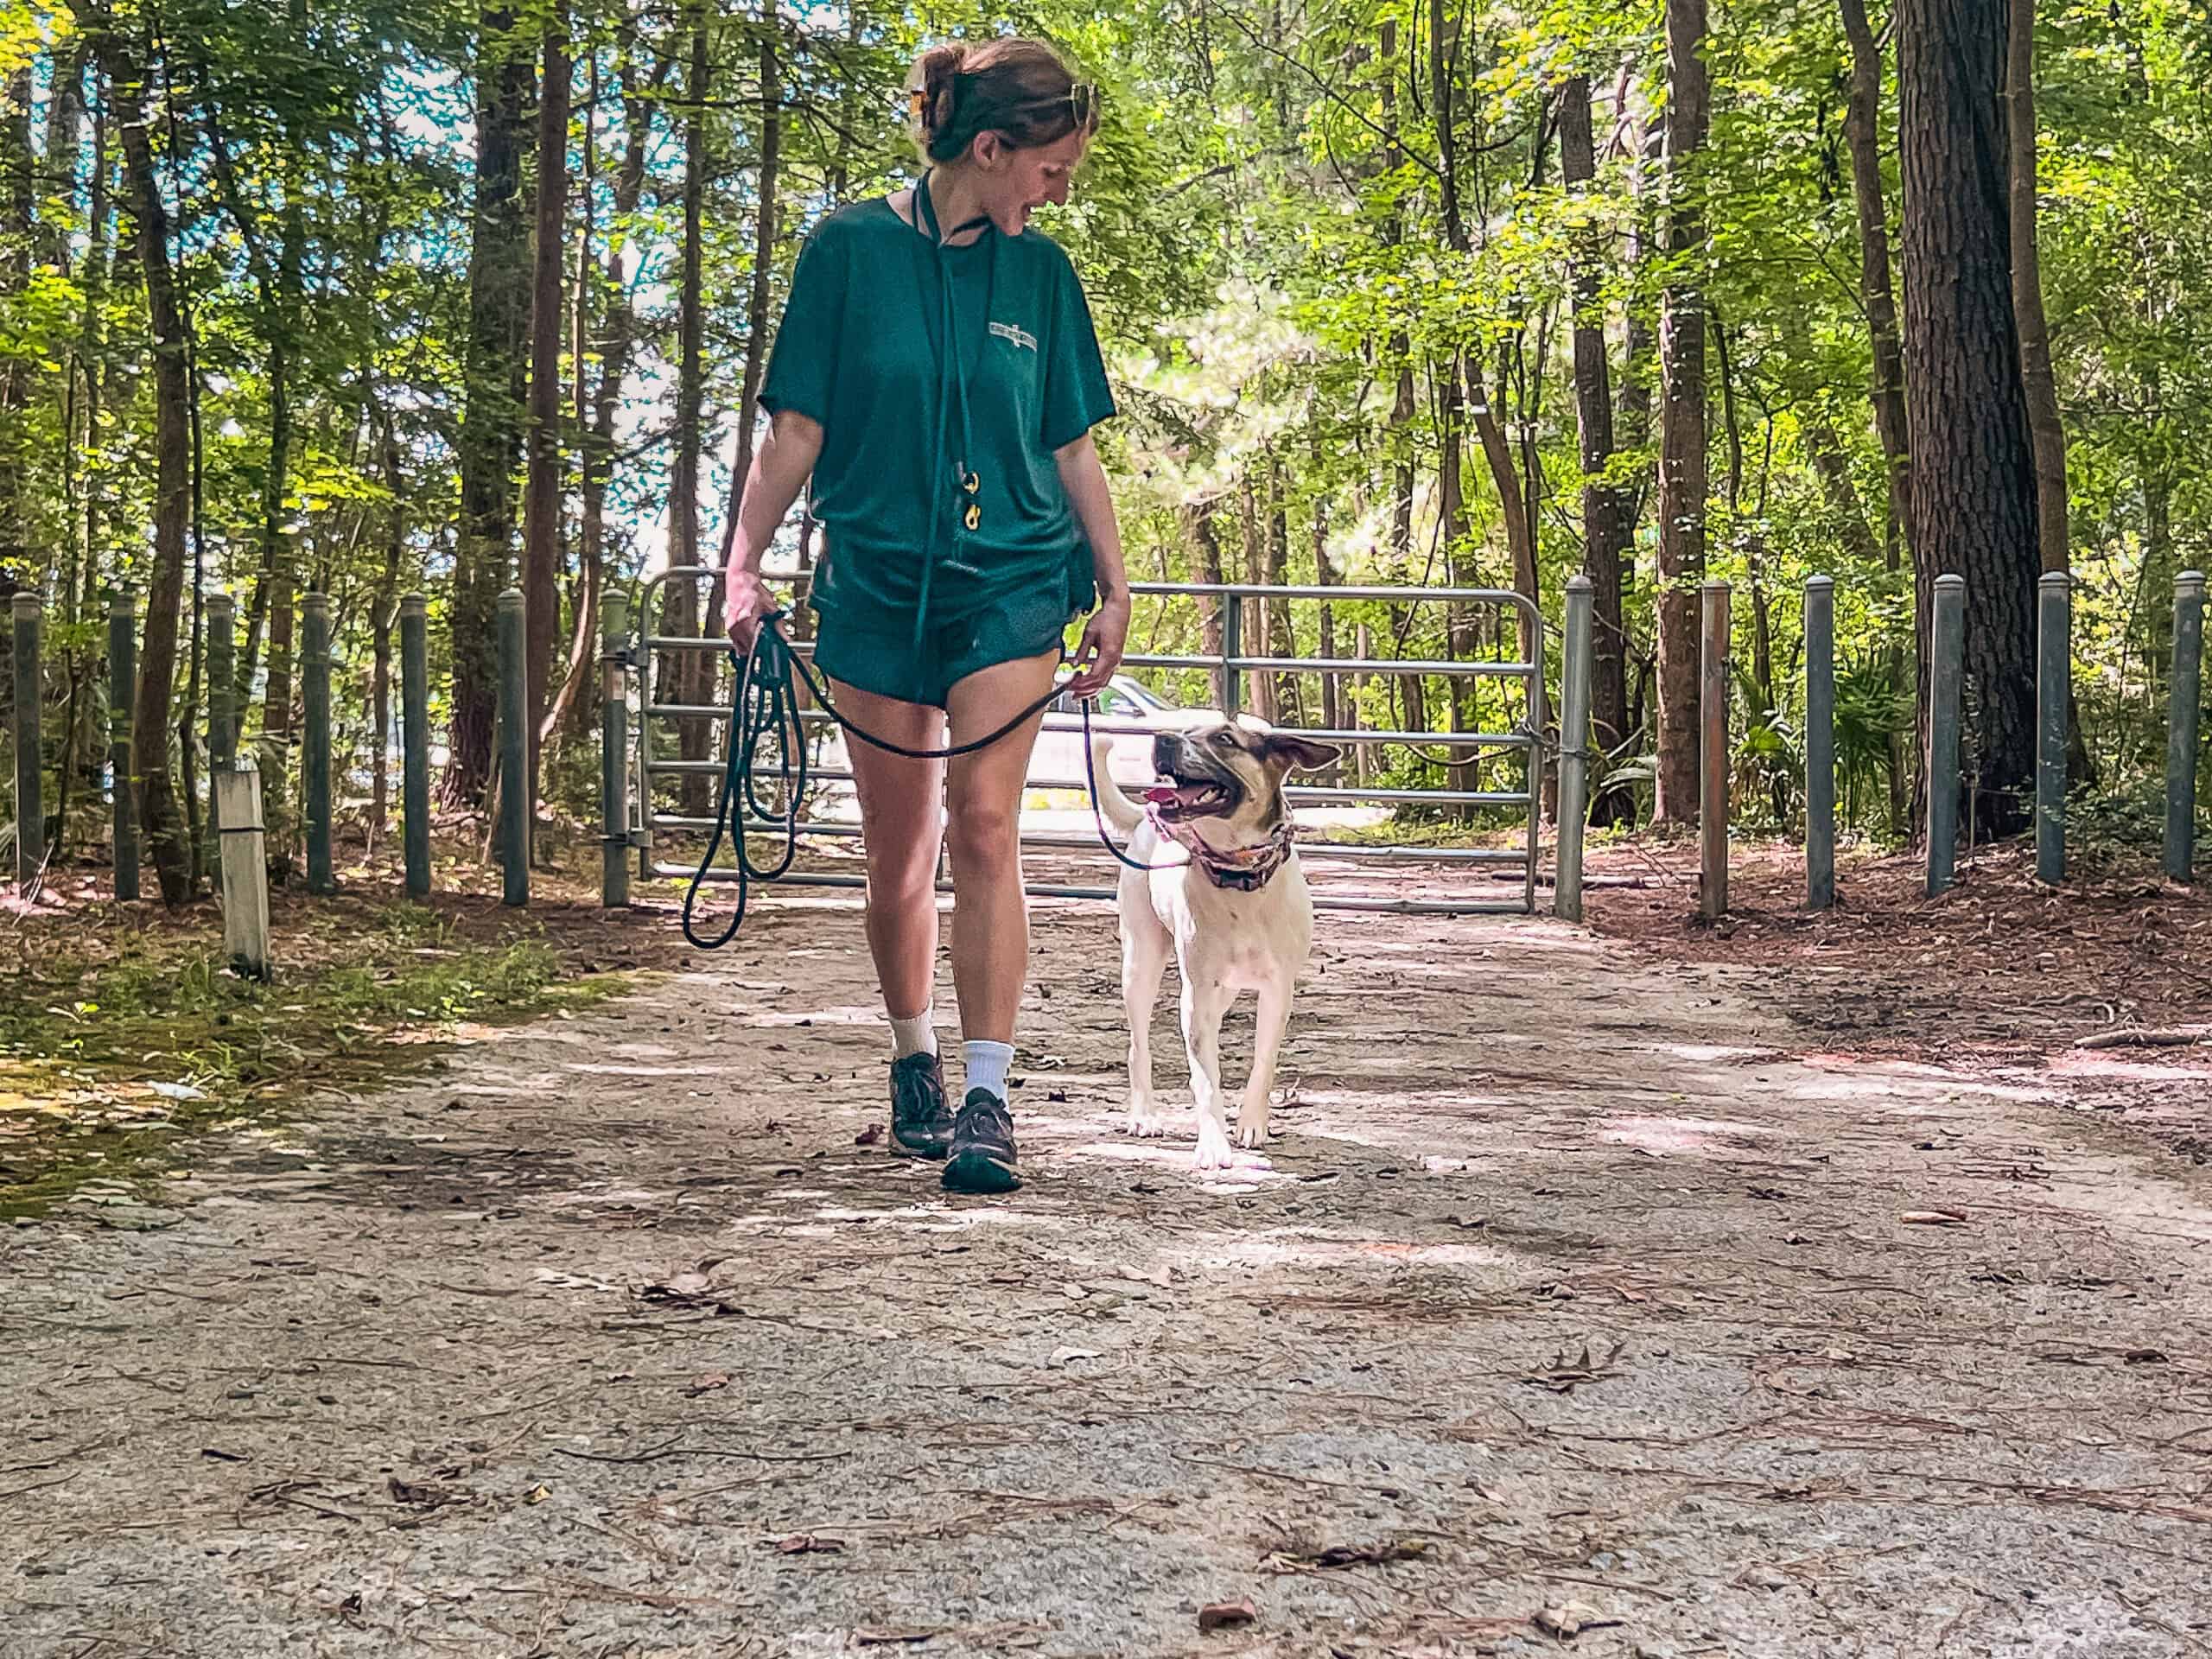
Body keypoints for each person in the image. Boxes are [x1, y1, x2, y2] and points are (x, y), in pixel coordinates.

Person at [720, 37, 1128, 1195]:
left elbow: (1072, 447)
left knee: (986, 825)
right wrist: (741, 567)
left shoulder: (1042, 277)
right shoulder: (847, 252)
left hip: (1011, 581)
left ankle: (990, 1094)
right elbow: (796, 432)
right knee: (898, 850)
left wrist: (1114, 586)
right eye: (1049, 171)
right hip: (878, 580)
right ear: (990, 148)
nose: (1057, 194)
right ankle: (915, 1061)